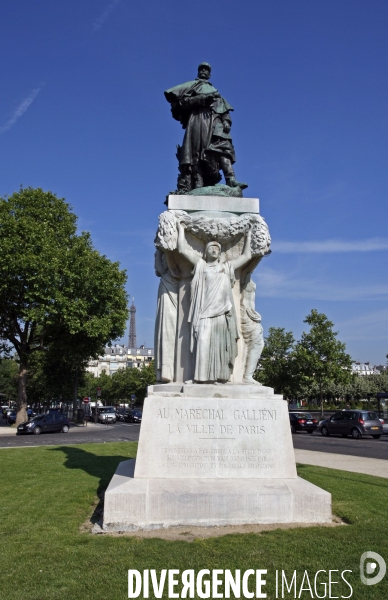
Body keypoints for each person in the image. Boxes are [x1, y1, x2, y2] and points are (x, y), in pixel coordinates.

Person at [177, 221, 252, 383]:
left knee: (219, 349)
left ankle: (220, 377)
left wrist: (248, 235)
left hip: (222, 313)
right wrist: (181, 229)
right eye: (211, 247)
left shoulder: (227, 267)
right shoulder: (201, 266)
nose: (214, 250)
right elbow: (182, 249)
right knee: (202, 344)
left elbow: (247, 256)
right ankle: (200, 378)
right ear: (205, 251)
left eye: (217, 248)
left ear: (220, 253)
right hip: (204, 313)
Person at [165, 62, 247, 193]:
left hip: (215, 121)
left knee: (224, 149)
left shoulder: (216, 92)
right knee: (196, 150)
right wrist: (201, 98)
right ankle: (198, 181)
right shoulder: (192, 87)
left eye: (206, 70)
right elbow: (182, 103)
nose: (204, 71)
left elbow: (223, 109)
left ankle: (230, 178)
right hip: (198, 118)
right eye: (201, 69)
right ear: (198, 72)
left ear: (210, 74)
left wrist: (226, 121)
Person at [154, 249, 179, 382]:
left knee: (168, 328)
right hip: (167, 288)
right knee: (167, 329)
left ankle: (167, 370)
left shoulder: (175, 271)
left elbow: (160, 267)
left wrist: (163, 250)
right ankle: (167, 370)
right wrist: (160, 251)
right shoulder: (166, 274)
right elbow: (158, 268)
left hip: (171, 289)